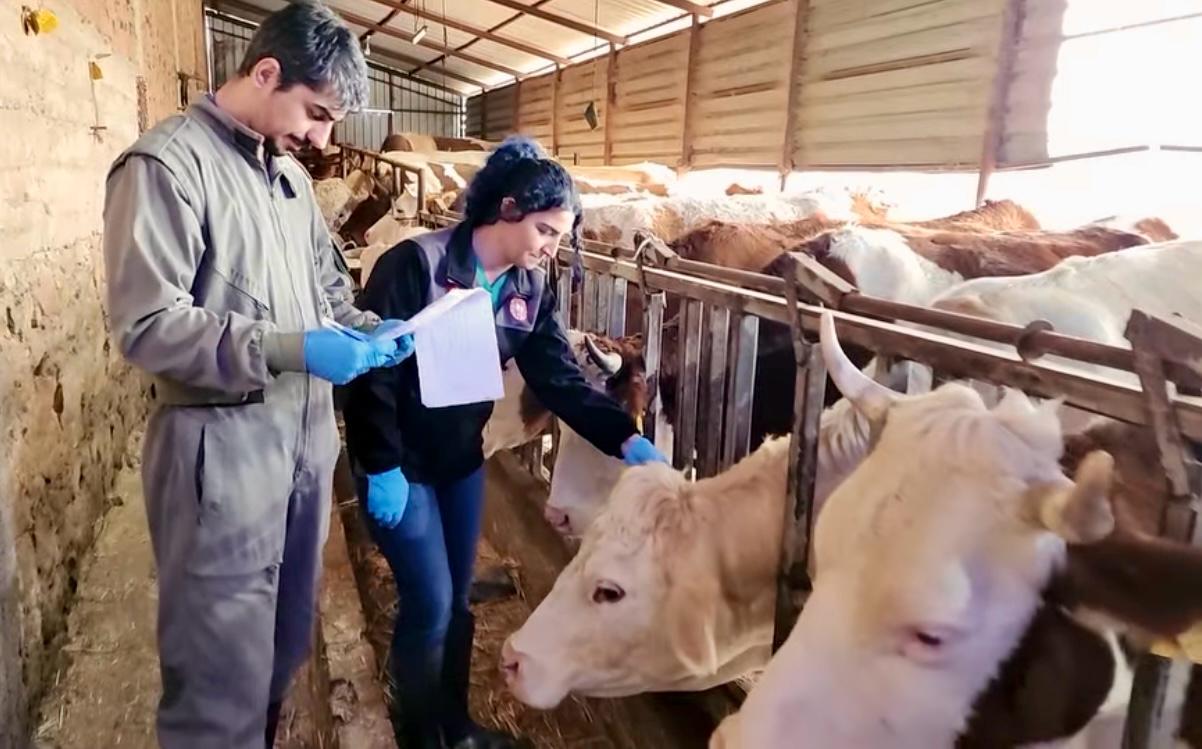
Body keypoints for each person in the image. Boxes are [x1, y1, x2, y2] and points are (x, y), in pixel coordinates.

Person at [102, 4, 413, 747]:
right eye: (316, 113)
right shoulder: (165, 168)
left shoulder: (291, 183)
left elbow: (327, 295)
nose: (321, 138)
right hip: (221, 461)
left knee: (281, 652)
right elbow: (147, 325)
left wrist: (375, 330)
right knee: (217, 681)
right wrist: (288, 348)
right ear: (265, 72)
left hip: (302, 456)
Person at [343, 136, 668, 748]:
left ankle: (456, 728)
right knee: (431, 602)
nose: (551, 247)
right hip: (399, 464)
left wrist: (627, 440)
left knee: (458, 603)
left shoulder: (530, 290)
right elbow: (372, 372)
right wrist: (379, 463)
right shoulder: (416, 264)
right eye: (546, 230)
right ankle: (419, 737)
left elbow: (560, 381)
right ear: (510, 209)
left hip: (460, 463)